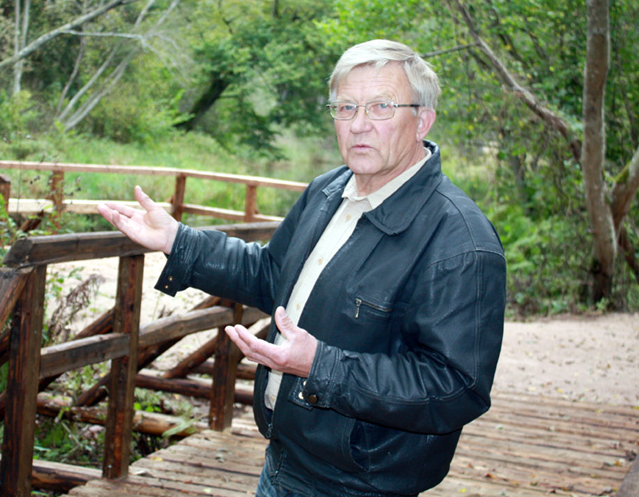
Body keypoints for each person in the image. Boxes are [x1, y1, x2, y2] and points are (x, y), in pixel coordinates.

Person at [98, 39, 506, 497]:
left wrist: (320, 366)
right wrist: (179, 241)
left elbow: (457, 387)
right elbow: (274, 276)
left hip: (361, 485)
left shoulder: (461, 241)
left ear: (423, 121)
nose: (359, 124)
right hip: (282, 460)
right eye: (345, 107)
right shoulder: (329, 190)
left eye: (381, 107)